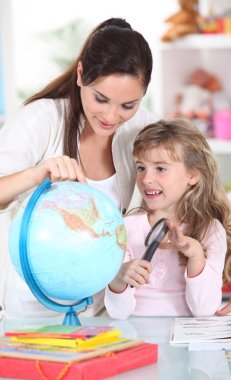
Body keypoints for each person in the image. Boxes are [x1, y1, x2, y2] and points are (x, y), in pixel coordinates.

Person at [0, 17, 158, 318]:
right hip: (34, 314)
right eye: (101, 99)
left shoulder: (144, 127)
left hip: (109, 313)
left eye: (128, 105)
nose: (112, 116)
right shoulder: (40, 120)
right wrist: (36, 174)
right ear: (81, 74)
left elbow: (196, 189)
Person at [105, 119, 231, 319]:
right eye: (141, 168)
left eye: (160, 168)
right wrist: (118, 278)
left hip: (188, 338)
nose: (146, 179)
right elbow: (117, 313)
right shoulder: (124, 228)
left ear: (193, 175)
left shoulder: (210, 230)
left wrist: (195, 255)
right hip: (138, 335)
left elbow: (204, 310)